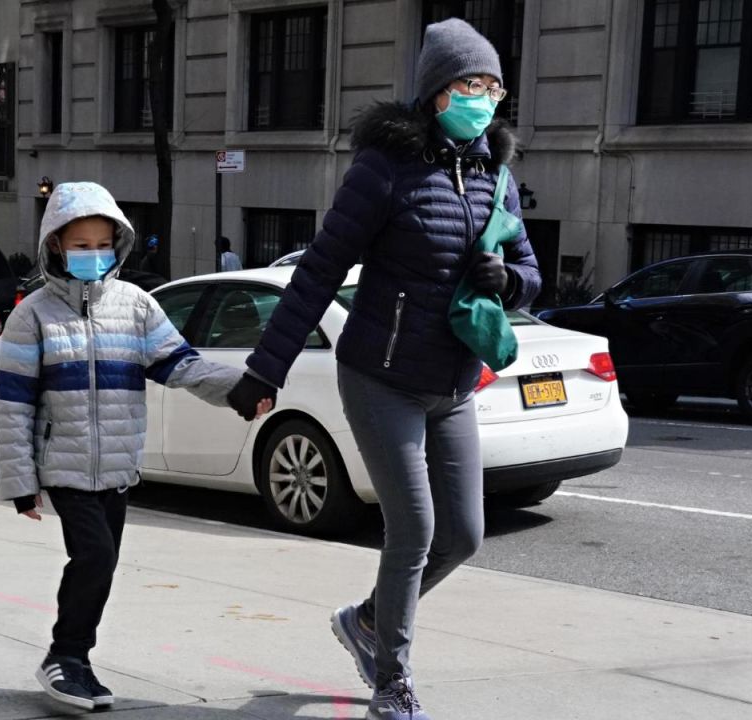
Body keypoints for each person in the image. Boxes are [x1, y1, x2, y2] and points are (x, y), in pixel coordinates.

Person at [224, 18, 540, 720]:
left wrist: (508, 281)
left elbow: (531, 272)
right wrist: (265, 370)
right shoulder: (384, 169)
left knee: (465, 533)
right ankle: (390, 681)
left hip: (452, 384)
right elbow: (318, 272)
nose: (483, 97)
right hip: (379, 377)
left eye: (492, 85)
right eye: (468, 84)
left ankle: (366, 622)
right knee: (415, 531)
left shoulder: (497, 174)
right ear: (435, 94)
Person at [0, 181, 270, 711]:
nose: (92, 255)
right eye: (81, 245)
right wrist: (21, 483)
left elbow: (179, 364)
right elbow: (13, 402)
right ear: (55, 244)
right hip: (64, 464)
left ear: (117, 245)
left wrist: (238, 387)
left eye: (102, 245)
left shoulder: (137, 306)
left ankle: (78, 659)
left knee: (103, 563)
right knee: (93, 556)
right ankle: (63, 657)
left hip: (118, 466)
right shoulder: (33, 316)